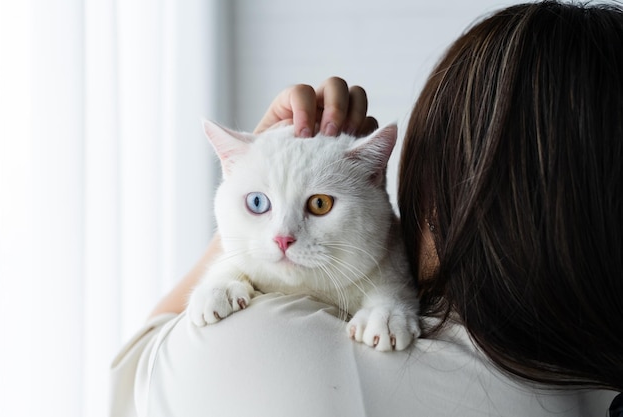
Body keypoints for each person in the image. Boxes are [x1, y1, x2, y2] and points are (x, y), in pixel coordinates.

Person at [111, 2, 623, 416]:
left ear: (451, 194)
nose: (284, 235)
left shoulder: (272, 352)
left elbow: (135, 374)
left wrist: (253, 180)